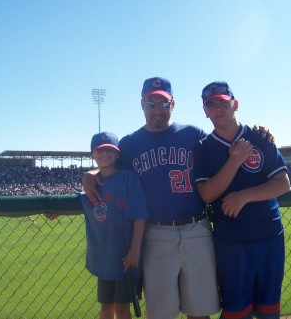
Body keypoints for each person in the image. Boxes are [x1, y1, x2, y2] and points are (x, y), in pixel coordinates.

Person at [83, 77, 274, 319]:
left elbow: (228, 141)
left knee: (200, 311)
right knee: (161, 313)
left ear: (173, 104)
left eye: (163, 103)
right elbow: (107, 168)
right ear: (142, 104)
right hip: (156, 233)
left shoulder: (194, 135)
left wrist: (260, 133)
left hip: (197, 228)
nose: (157, 110)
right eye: (151, 103)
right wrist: (89, 174)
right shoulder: (130, 145)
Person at [193, 81, 291, 319]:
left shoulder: (259, 137)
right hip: (231, 242)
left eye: (223, 103)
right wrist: (235, 160)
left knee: (270, 311)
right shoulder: (203, 148)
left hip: (269, 236)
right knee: (237, 312)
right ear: (205, 111)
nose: (218, 109)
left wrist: (244, 196)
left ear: (235, 105)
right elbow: (207, 194)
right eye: (211, 104)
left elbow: (283, 183)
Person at [50, 131, 149, 319]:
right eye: (100, 150)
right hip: (104, 260)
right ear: (92, 155)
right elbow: (81, 204)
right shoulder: (90, 187)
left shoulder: (128, 178)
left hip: (126, 258)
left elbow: (139, 215)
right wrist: (56, 211)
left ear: (117, 154)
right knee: (106, 308)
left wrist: (135, 249)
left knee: (122, 309)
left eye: (110, 150)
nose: (105, 154)